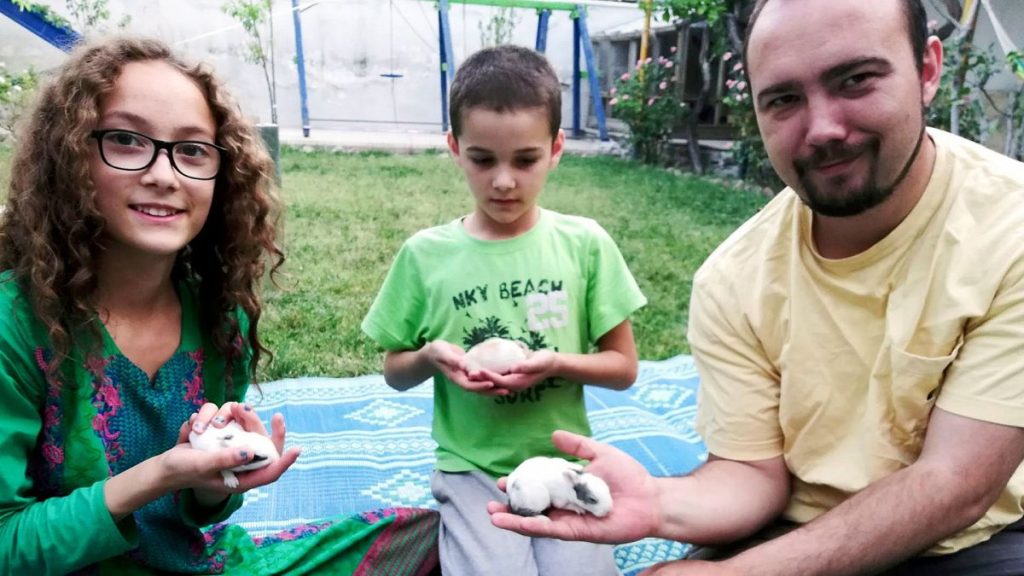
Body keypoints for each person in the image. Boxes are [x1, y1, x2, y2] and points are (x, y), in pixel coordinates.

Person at [488, 0, 1024, 574]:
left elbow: (957, 482)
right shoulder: (733, 279)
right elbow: (752, 475)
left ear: (926, 70)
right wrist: (658, 504)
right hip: (794, 525)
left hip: (974, 539)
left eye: (857, 80)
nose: (823, 129)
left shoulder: (1008, 226)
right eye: (785, 99)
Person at [0, 37, 440, 576]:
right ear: (69, 157)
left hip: (196, 566)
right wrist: (160, 474)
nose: (164, 175)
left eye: (191, 150)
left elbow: (197, 516)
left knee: (439, 535)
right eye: (126, 140)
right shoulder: (15, 324)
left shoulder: (217, 316)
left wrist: (218, 480)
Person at [362, 44, 647, 576]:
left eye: (525, 159)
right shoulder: (426, 256)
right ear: (454, 147)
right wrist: (431, 356)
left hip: (564, 463)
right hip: (470, 469)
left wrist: (555, 362)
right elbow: (394, 373)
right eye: (482, 158)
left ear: (557, 148)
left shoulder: (585, 245)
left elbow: (623, 369)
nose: (503, 181)